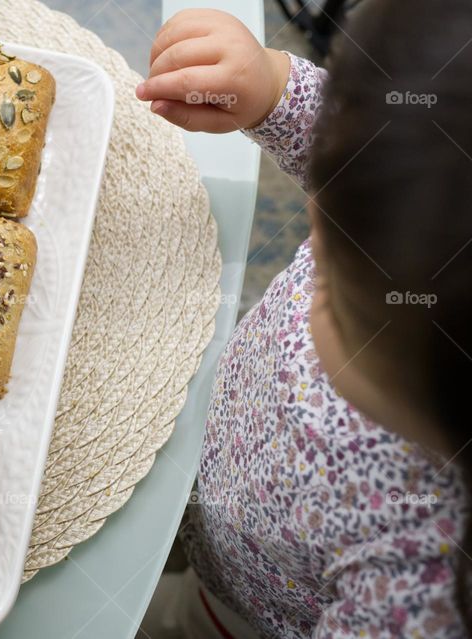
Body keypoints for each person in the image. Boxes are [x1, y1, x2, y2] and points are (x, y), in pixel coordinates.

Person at [135, 3, 472, 637]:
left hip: (231, 601)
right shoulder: (430, 180)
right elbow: (376, 150)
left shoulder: (415, 594)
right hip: (200, 442)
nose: (313, 211)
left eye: (329, 280)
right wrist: (273, 88)